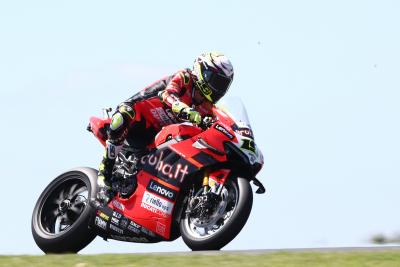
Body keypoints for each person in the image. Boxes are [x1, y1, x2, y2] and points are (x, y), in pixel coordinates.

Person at [97, 52, 234, 203]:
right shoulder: (185, 77)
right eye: (216, 81)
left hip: (157, 135)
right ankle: (105, 172)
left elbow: (216, 124)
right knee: (121, 117)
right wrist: (186, 110)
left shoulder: (207, 107)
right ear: (203, 72)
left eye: (223, 85)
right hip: (139, 116)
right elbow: (167, 94)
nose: (218, 88)